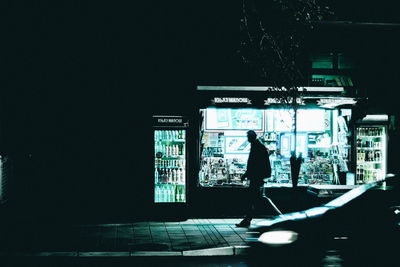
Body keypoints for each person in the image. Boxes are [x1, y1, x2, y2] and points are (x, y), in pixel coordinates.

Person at [236, 130, 271, 227]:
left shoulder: (257, 147)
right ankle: (248, 219)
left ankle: (247, 219)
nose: (247, 138)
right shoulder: (258, 146)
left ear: (251, 137)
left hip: (256, 177)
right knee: (253, 198)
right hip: (258, 176)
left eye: (248, 136)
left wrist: (246, 174)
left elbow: (253, 164)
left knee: (252, 198)